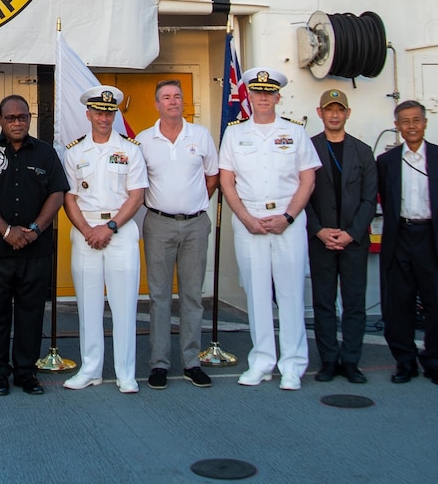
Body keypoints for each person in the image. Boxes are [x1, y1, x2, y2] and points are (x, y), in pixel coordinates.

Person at [217, 68, 318, 390]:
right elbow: (226, 180)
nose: (262, 97)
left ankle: (292, 365)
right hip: (250, 222)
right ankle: (261, 361)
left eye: (268, 92)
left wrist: (288, 217)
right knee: (257, 295)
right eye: (257, 92)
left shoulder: (295, 132)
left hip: (287, 222)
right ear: (248, 95)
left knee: (290, 295)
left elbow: (308, 179)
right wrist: (246, 218)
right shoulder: (234, 133)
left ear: (278, 96)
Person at [0, 94, 68, 396]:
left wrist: (36, 229)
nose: (17, 122)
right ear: (0, 120)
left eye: (23, 117)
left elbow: (57, 194)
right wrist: (6, 231)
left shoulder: (45, 153)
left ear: (29, 118)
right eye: (10, 117)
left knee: (31, 313)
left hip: (35, 251)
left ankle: (26, 373)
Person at [60, 85, 147, 393]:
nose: (104, 117)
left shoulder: (130, 149)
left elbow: (136, 196)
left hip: (119, 232)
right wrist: (87, 230)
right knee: (89, 305)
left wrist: (108, 228)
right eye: (98, 112)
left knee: (124, 306)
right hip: (85, 233)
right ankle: (90, 368)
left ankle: (126, 373)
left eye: (109, 112)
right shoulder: (74, 152)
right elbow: (69, 197)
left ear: (115, 114)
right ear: (88, 114)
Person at [137, 79, 217, 390]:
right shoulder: (144, 140)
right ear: (156, 104)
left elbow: (212, 177)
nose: (172, 101)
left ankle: (191, 362)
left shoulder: (201, 136)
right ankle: (159, 363)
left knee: (192, 296)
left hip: (196, 224)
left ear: (184, 102)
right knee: (158, 297)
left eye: (177, 97)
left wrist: (192, 203)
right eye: (166, 97)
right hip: (159, 224)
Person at [377, 100, 438, 386]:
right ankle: (405, 362)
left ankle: (435, 363)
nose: (411, 126)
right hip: (399, 236)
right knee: (398, 304)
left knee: (436, 303)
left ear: (425, 123)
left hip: (431, 237)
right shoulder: (386, 162)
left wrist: (437, 232)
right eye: (405, 121)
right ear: (397, 126)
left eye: (416, 120)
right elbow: (386, 202)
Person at [304, 87, 376, 384]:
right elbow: (301, 195)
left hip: (353, 241)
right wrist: (319, 230)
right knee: (323, 302)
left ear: (347, 113)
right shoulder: (307, 148)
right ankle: (329, 361)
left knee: (354, 302)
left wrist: (350, 234)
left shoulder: (363, 151)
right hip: (321, 240)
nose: (334, 114)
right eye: (329, 109)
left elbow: (369, 199)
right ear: (320, 113)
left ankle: (351, 361)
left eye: (340, 109)